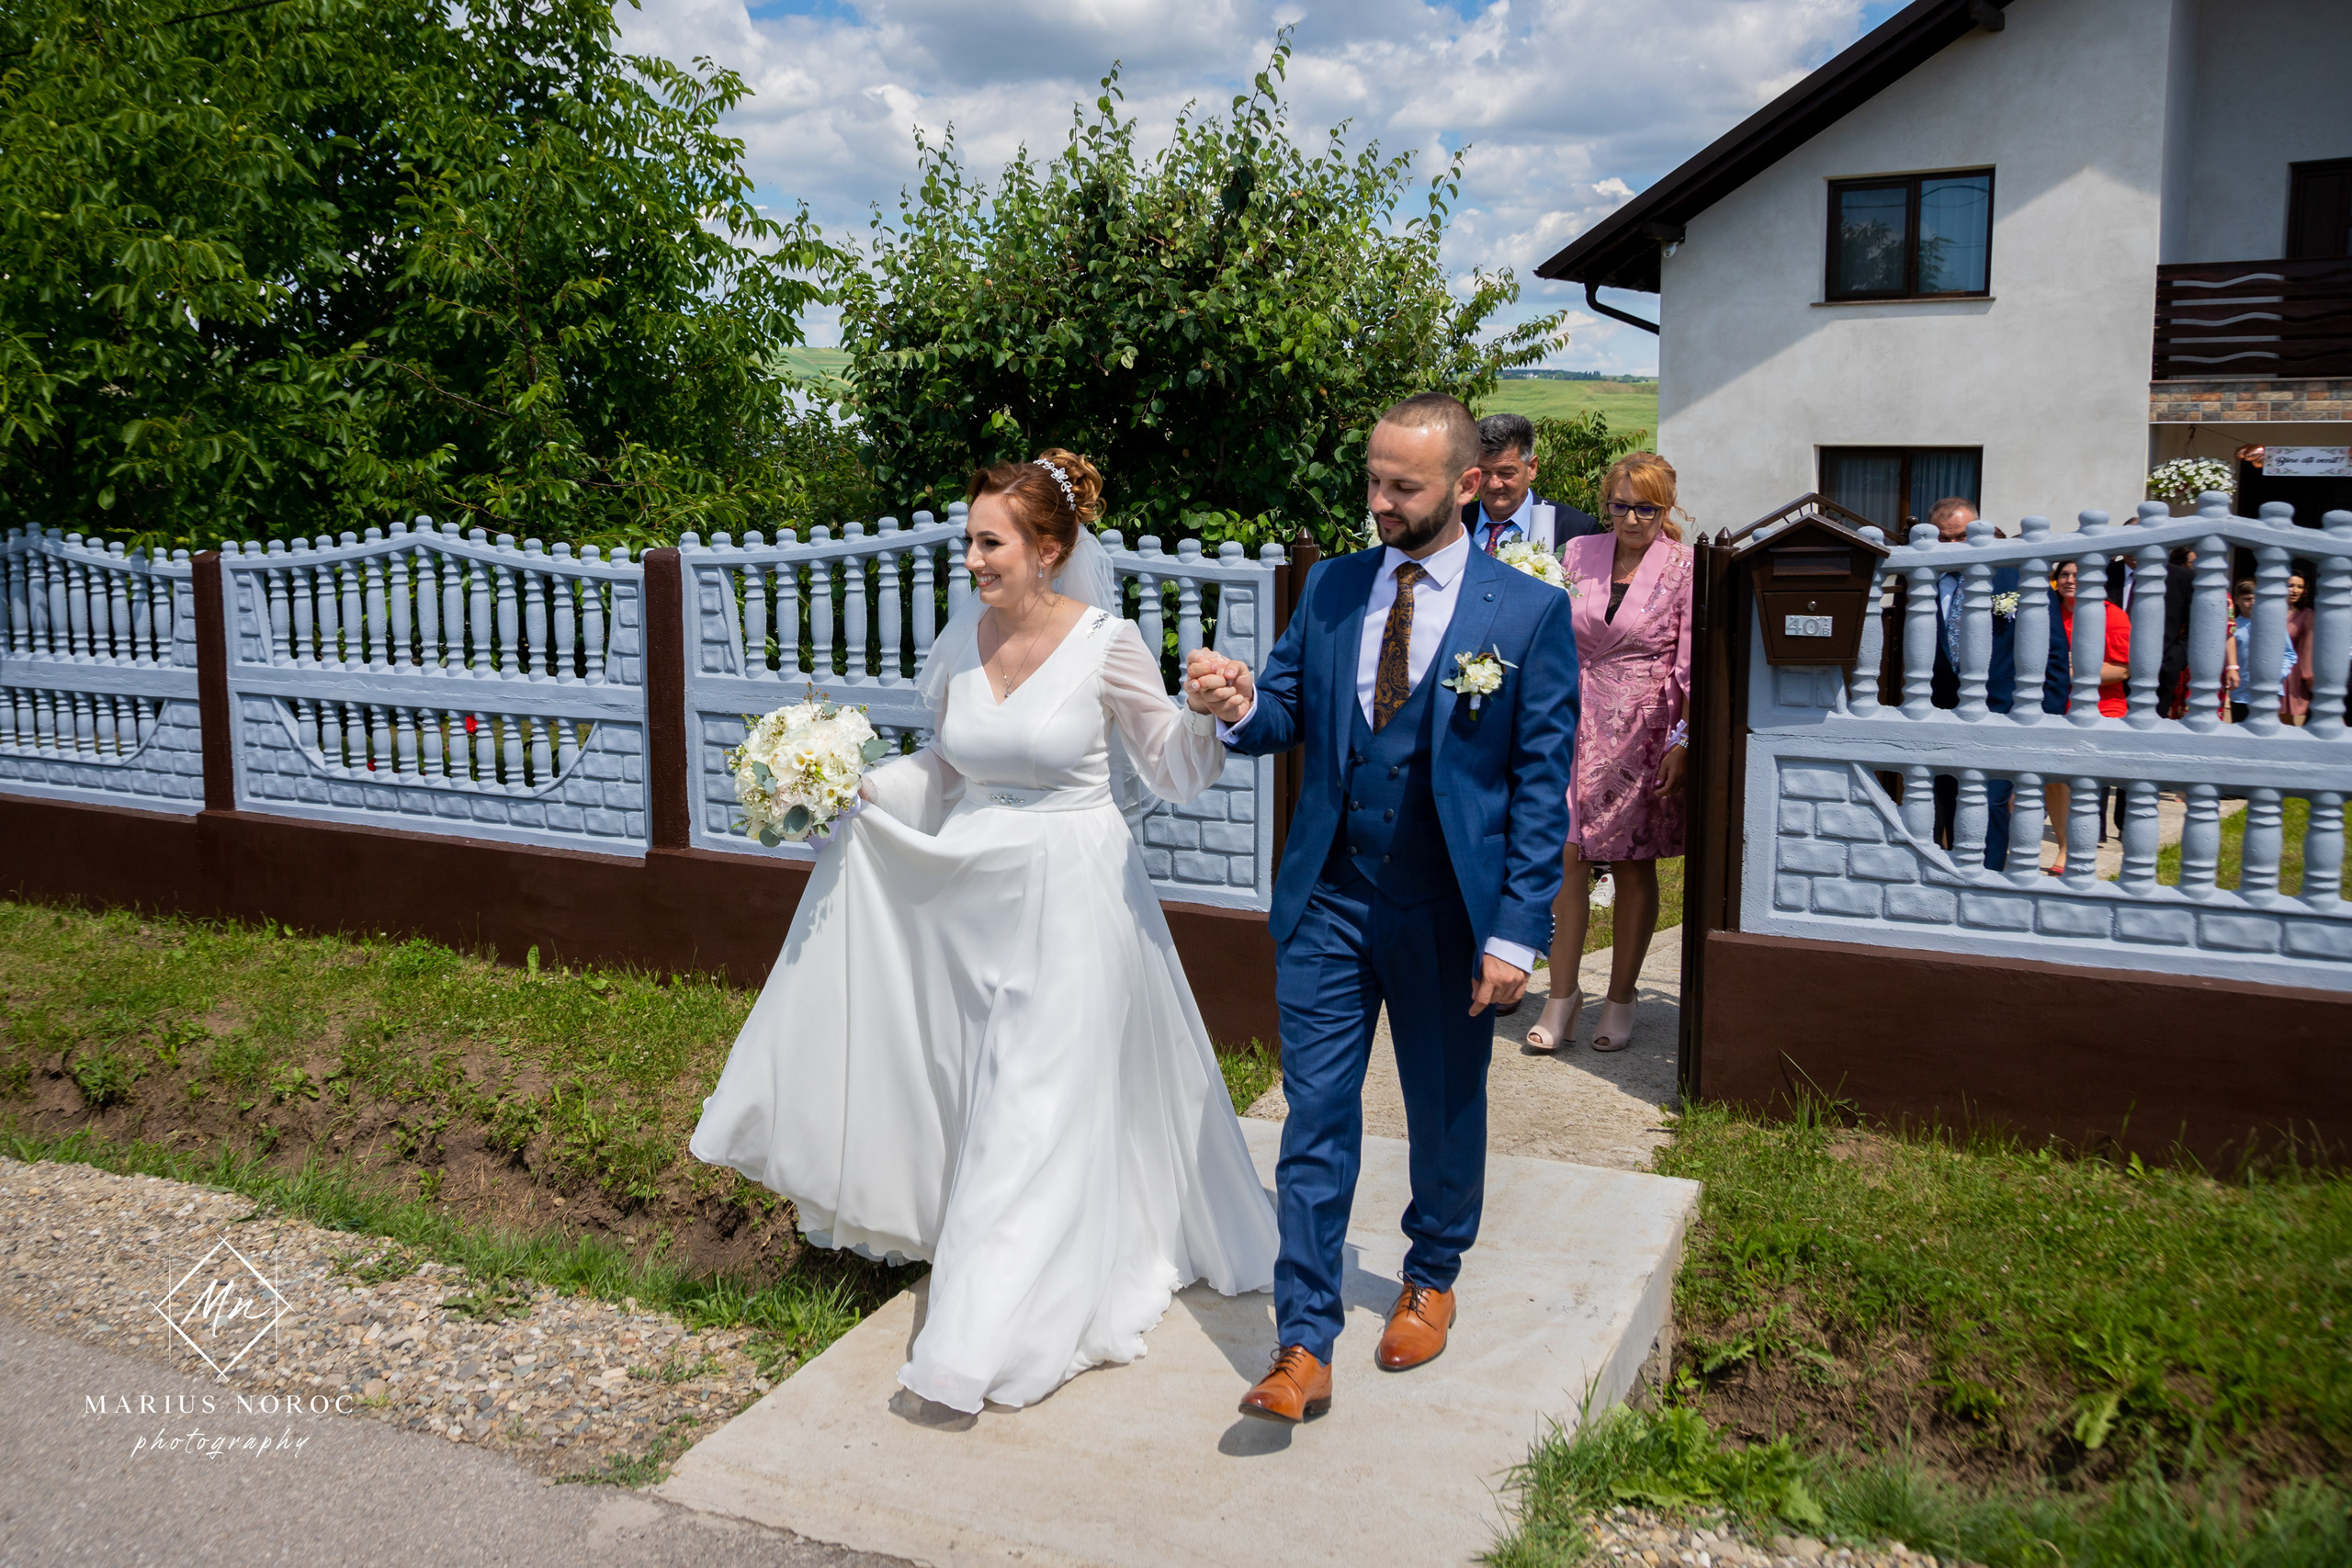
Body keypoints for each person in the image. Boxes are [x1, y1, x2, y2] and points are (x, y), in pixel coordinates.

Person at [688, 448, 1278, 1416]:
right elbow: (952, 771)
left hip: (1072, 897)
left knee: (1031, 1107)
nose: (970, 558)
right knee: (986, 1092)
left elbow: (1169, 771)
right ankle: (990, 1263)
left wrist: (1209, 717)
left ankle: (977, 1342)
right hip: (968, 895)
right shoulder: (965, 641)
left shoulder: (1107, 642)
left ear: (1049, 549)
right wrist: (847, 786)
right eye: (968, 540)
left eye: (989, 541)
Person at [1184, 393, 1578, 1425]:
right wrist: (1237, 706)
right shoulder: (1330, 588)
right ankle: (1302, 1342)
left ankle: (1433, 1269)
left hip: (1452, 910)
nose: (1379, 502)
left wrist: (1515, 933)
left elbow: (1541, 791)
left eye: (1402, 486)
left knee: (1444, 1107)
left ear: (1466, 485)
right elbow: (1281, 712)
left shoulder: (1525, 614)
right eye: (1371, 479)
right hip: (1330, 900)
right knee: (1314, 1111)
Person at [1524, 452, 1690, 1055]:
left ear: (1666, 507)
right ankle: (1561, 997)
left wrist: (1684, 739)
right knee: (1565, 855)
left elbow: (1689, 660)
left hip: (1643, 733)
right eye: (1620, 505)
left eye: (1646, 507)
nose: (1632, 518)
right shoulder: (1577, 554)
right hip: (1572, 720)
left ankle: (1620, 996)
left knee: (1630, 863)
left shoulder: (1685, 567)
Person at [1923, 499, 2069, 871]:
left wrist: (2047, 719)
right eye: (1945, 540)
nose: (1954, 548)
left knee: (1988, 803)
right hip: (1942, 716)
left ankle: (1987, 883)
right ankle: (1955, 881)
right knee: (1948, 804)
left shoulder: (2016, 578)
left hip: (2004, 715)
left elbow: (2052, 649)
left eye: (1963, 538)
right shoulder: (1923, 582)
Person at [2043, 558, 2132, 874]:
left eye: (2076, 575)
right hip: (2055, 705)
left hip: (2101, 707)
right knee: (2054, 782)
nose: (2069, 580)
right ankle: (2066, 846)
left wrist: (2076, 673)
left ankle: (2077, 849)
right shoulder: (2049, 612)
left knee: (2080, 781)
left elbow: (2122, 669)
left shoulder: (2113, 615)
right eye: (2064, 575)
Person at [1459, 412, 1604, 556]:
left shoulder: (1575, 529)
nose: (1494, 484)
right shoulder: (1452, 523)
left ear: (1532, 468)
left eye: (1506, 473)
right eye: (1483, 472)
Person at [2285, 571, 2314, 725]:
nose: (2295, 590)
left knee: (2286, 721)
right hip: (2266, 669)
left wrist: (2308, 676)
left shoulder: (2307, 614)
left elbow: (2307, 649)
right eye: (2291, 585)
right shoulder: (2270, 610)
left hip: (2291, 673)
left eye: (2299, 587)